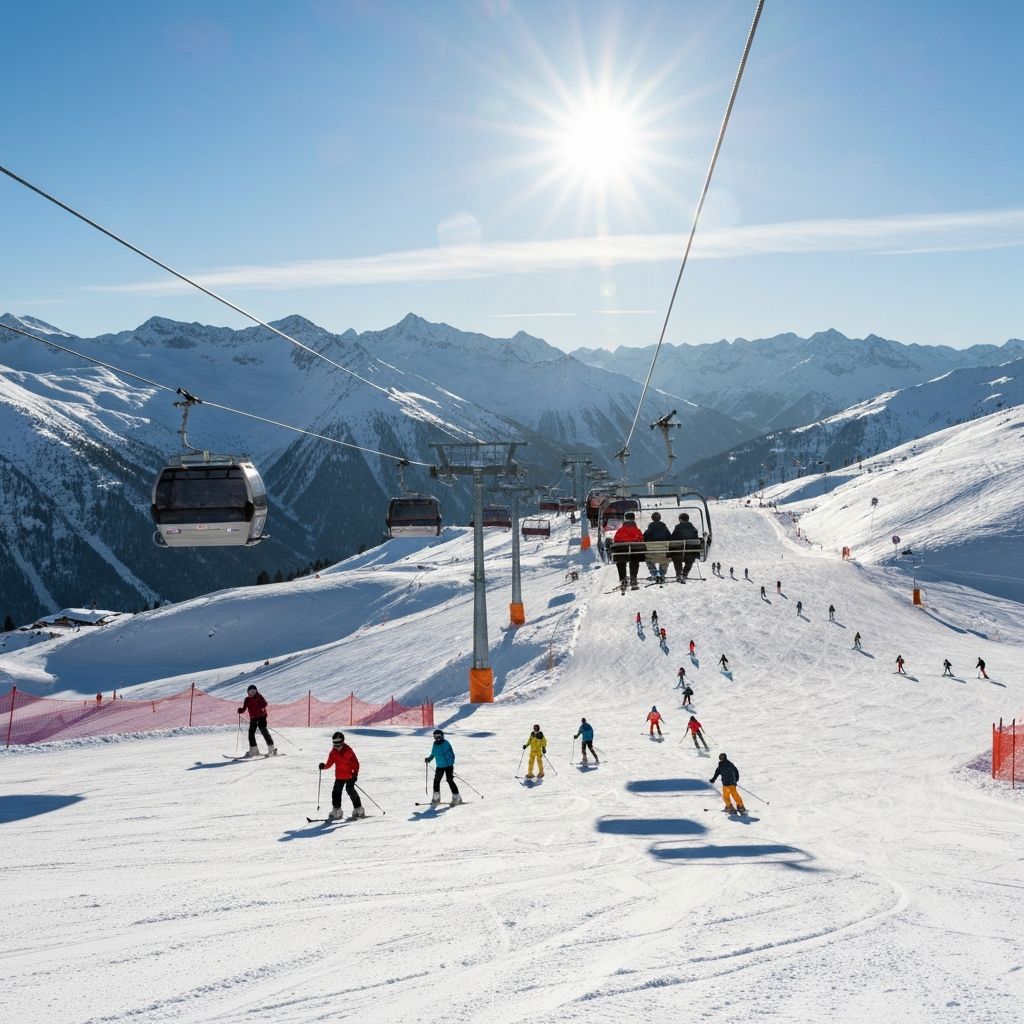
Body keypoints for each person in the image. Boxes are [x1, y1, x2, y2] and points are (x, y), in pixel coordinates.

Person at [319, 732, 364, 820]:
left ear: (342, 742)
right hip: (339, 776)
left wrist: (355, 774)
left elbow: (356, 764)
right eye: (335, 743)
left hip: (349, 776)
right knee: (336, 792)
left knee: (350, 790)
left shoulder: (348, 751)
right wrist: (324, 766)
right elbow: (329, 763)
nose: (337, 746)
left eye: (339, 743)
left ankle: (358, 809)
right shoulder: (333, 752)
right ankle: (337, 810)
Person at [237, 684, 276, 757]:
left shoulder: (259, 697)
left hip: (262, 717)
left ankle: (272, 749)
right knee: (251, 734)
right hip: (253, 718)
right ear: (248, 692)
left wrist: (260, 703)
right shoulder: (247, 699)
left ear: (256, 691)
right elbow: (244, 708)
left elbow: (265, 704)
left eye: (254, 691)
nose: (252, 693)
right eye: (250, 692)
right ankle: (254, 750)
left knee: (264, 731)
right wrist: (240, 710)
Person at [425, 729, 461, 804]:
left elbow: (451, 755)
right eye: (435, 736)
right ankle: (436, 797)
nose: (437, 738)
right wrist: (429, 759)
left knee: (449, 780)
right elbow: (433, 754)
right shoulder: (434, 744)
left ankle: (456, 796)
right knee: (436, 781)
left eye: (439, 736)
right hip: (440, 766)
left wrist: (449, 762)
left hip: (448, 766)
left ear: (442, 736)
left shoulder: (446, 743)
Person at [612, 513, 645, 590]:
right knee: (634, 559)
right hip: (635, 553)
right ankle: (633, 578)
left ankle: (623, 579)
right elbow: (641, 539)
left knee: (620, 560)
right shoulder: (637, 530)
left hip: (622, 552)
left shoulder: (620, 530)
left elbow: (616, 539)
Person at [643, 511, 672, 581]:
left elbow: (644, 538)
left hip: (652, 554)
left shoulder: (650, 529)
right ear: (660, 518)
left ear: (652, 519)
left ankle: (654, 573)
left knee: (647, 558)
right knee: (665, 557)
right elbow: (670, 538)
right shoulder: (664, 528)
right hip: (663, 554)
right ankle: (662, 573)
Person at [671, 513, 700, 580]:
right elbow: (696, 540)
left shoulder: (678, 527)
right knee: (690, 560)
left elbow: (673, 538)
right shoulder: (693, 529)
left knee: (676, 558)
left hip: (679, 552)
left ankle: (678, 574)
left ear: (680, 519)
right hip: (691, 553)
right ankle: (685, 573)